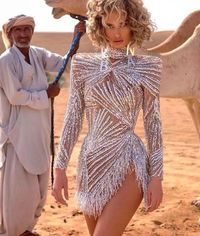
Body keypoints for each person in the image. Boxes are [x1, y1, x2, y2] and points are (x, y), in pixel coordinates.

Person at [52, 0, 163, 235]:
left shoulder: (148, 68)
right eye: (109, 25)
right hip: (90, 165)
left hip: (128, 161)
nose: (116, 32)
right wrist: (59, 168)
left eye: (123, 24)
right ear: (99, 26)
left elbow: (153, 124)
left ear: (134, 24)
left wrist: (157, 177)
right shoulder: (82, 65)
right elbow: (73, 118)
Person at [0, 14, 85, 236]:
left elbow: (63, 64)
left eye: (27, 29)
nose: (23, 34)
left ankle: (27, 228)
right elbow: (15, 96)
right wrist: (45, 94)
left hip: (39, 130)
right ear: (10, 34)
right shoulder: (6, 61)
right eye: (18, 30)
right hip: (16, 133)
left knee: (38, 186)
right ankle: (14, 231)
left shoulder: (38, 54)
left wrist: (75, 40)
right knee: (18, 188)